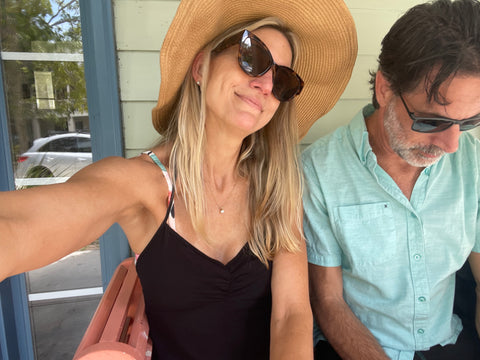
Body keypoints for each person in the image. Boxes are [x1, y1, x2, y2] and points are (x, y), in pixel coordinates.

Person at [0, 0, 357, 359]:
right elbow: (19, 226)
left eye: (282, 79)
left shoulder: (276, 190)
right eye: (253, 56)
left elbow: (291, 315)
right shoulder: (144, 185)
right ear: (200, 66)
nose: (265, 84)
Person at [302, 0, 480, 359]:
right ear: (384, 88)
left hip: (449, 342)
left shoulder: (472, 160)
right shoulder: (319, 170)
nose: (451, 145)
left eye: (470, 121)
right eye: (431, 121)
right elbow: (328, 301)